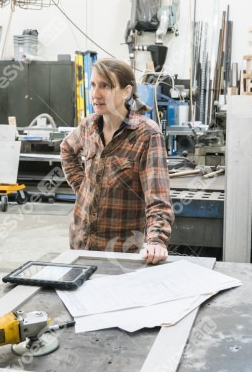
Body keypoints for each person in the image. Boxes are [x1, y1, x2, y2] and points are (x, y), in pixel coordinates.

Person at [61, 58, 174, 263]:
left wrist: (157, 241)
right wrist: (83, 187)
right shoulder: (89, 126)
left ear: (126, 91)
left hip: (119, 254)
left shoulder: (147, 135)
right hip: (80, 243)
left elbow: (158, 200)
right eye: (93, 85)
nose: (95, 94)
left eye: (106, 86)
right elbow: (67, 149)